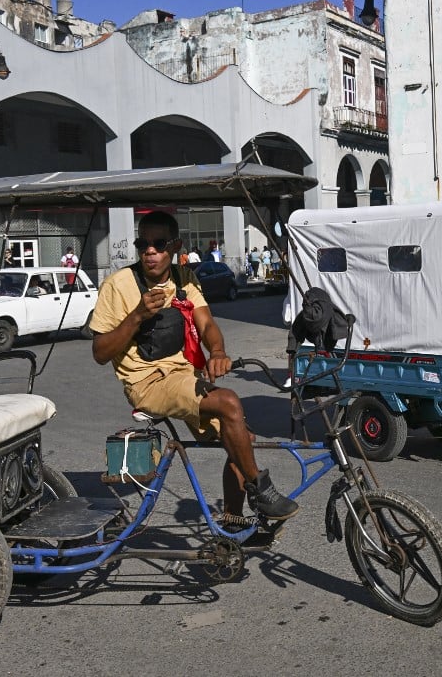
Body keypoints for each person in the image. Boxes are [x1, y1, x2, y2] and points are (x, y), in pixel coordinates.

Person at [89, 211, 298, 522]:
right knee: (229, 402)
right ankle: (261, 490)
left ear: (175, 247)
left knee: (242, 442)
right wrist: (136, 317)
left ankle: (231, 522)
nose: (150, 251)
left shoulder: (184, 279)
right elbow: (100, 352)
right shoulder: (118, 286)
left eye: (159, 244)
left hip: (185, 377)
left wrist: (217, 351)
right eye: (142, 244)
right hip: (148, 383)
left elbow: (207, 324)